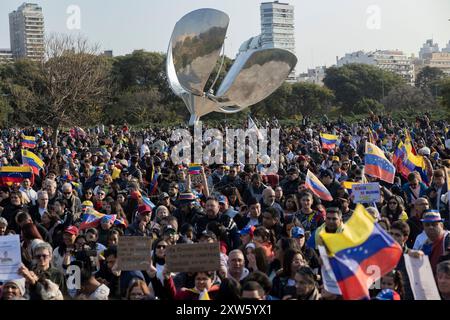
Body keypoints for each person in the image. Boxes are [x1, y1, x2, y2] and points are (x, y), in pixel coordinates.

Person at [416, 210, 450, 274]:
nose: (430, 227)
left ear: (441, 225)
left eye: (434, 224)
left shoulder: (447, 239)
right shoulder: (424, 245)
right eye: (427, 225)